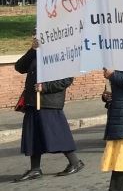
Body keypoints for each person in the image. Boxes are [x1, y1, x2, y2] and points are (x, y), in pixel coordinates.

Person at [13, 36, 84, 182]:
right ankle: (35, 169)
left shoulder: (62, 54)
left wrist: (44, 87)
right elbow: (19, 67)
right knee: (33, 135)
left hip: (50, 103)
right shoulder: (37, 52)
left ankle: (75, 162)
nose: (35, 36)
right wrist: (32, 50)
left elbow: (66, 80)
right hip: (33, 101)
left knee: (57, 134)